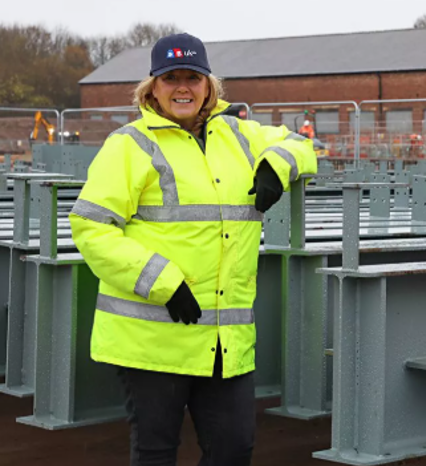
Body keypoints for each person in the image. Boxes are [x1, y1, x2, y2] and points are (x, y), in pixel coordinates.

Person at [69, 33, 317, 466]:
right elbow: (91, 226)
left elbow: (301, 143)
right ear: (153, 87)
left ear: (208, 86)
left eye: (192, 77)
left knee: (233, 450)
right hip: (151, 339)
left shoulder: (240, 135)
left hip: (224, 340)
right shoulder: (129, 145)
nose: (182, 87)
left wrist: (275, 166)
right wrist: (160, 280)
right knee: (156, 453)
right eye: (170, 78)